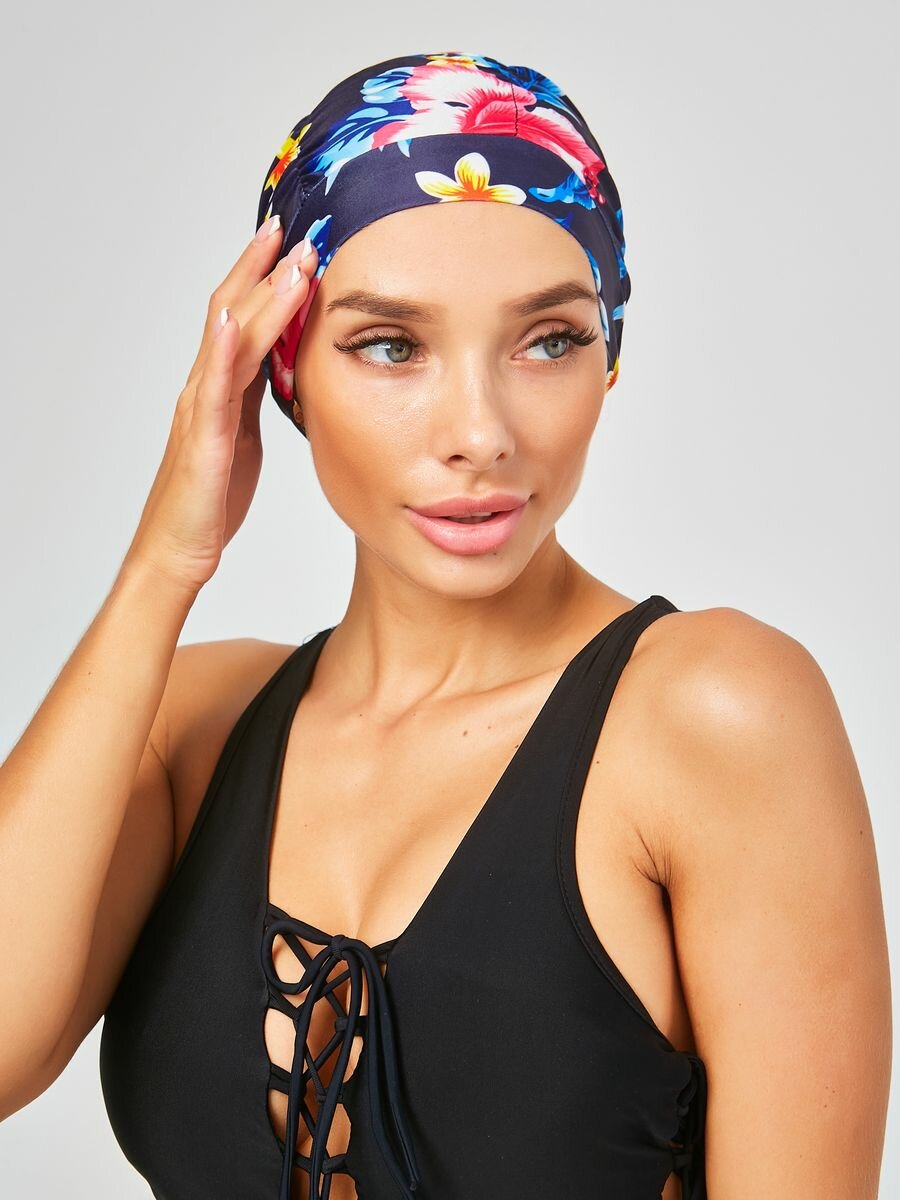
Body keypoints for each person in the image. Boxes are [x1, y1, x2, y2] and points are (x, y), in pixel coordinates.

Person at [0, 49, 890, 1200]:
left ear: (608, 354)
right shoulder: (192, 730)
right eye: (391, 345)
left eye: (549, 339)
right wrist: (165, 563)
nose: (480, 432)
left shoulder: (713, 716)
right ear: (282, 369)